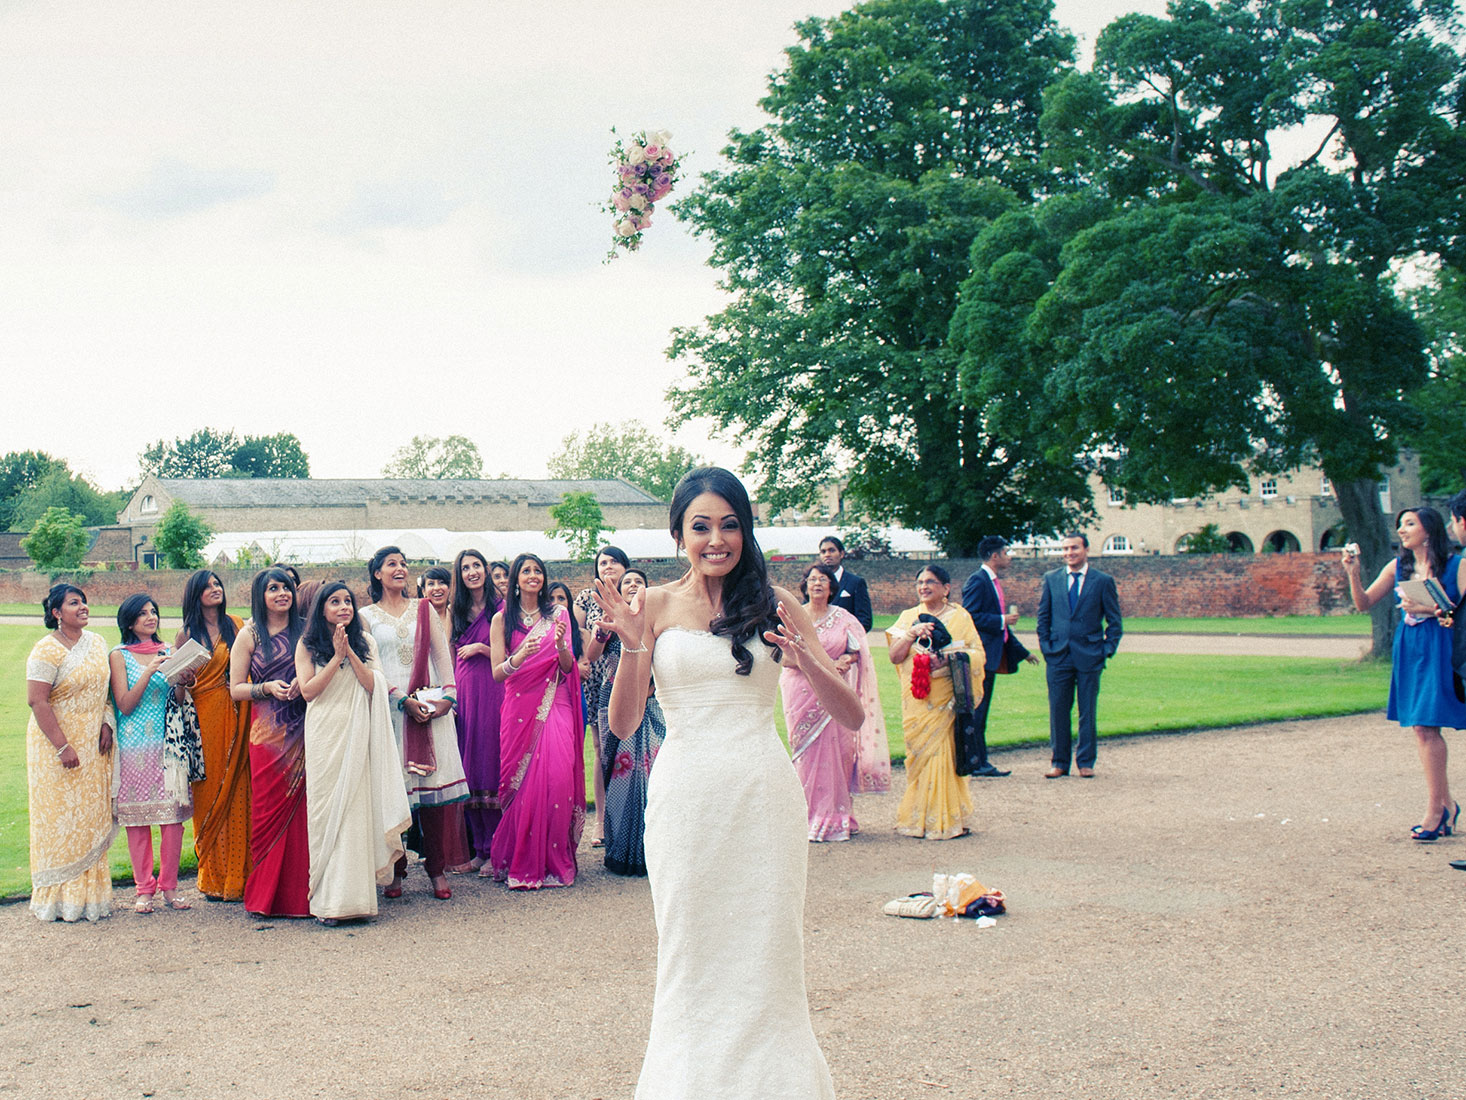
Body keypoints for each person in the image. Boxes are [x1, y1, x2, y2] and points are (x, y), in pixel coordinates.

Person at [594, 466, 862, 1098]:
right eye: (701, 527)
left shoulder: (776, 603)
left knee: (767, 952)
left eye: (730, 525)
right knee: (690, 952)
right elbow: (624, 722)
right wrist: (632, 646)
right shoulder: (654, 605)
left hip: (762, 795)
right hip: (686, 798)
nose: (716, 540)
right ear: (679, 535)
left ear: (746, 531)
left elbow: (850, 713)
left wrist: (806, 662)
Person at [1344, 506, 1465, 841]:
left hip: (1442, 648)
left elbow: (1461, 614)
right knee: (1421, 727)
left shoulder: (1458, 566)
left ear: (1429, 529)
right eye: (1400, 524)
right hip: (1411, 648)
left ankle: (1436, 811)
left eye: (1409, 523)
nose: (1401, 529)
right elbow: (1363, 603)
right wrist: (1353, 573)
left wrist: (1427, 607)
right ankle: (1446, 805)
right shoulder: (1398, 566)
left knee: (1427, 726)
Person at [296, 582, 412, 924]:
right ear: (321, 609)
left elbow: (374, 685)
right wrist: (335, 657)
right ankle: (328, 903)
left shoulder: (366, 642)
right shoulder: (307, 644)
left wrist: (350, 653)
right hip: (325, 733)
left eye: (348, 601)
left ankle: (358, 901)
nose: (344, 606)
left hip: (358, 729)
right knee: (326, 813)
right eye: (335, 602)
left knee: (356, 812)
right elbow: (308, 692)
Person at [359, 547, 468, 901]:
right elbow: (371, 666)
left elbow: (441, 655)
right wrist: (400, 700)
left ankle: (436, 868)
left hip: (430, 709)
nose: (400, 569)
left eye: (404, 564)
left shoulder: (424, 608)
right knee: (395, 793)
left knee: (434, 792)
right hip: (390, 711)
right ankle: (396, 868)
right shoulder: (365, 616)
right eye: (392, 564)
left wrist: (448, 698)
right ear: (377, 573)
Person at [488, 553, 585, 889]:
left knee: (558, 777)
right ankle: (522, 861)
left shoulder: (558, 614)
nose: (533, 575)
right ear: (515, 579)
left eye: (538, 571)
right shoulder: (501, 619)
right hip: (519, 707)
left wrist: (560, 646)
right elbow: (497, 672)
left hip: (555, 701)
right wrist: (520, 656)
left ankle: (553, 861)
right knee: (523, 784)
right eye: (526, 571)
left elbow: (568, 667)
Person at [25, 583, 117, 922]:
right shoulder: (45, 649)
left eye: (84, 602)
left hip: (93, 747)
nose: (83, 607)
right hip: (55, 748)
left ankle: (92, 899)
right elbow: (37, 701)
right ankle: (59, 900)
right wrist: (62, 746)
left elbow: (105, 692)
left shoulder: (97, 643)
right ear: (56, 613)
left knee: (90, 818)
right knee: (60, 820)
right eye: (74, 603)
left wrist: (107, 723)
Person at [779, 563, 891, 841]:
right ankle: (807, 817)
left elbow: (857, 651)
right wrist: (824, 665)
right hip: (800, 691)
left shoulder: (844, 618)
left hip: (835, 693)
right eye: (812, 579)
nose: (817, 583)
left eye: (823, 579)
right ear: (804, 586)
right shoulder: (793, 617)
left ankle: (836, 817)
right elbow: (781, 655)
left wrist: (846, 659)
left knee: (840, 751)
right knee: (805, 752)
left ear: (832, 587)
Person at [231, 567, 309, 918]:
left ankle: (303, 896)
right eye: (273, 588)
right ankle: (267, 897)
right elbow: (235, 689)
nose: (281, 594)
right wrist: (266, 688)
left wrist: (307, 683)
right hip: (266, 736)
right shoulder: (249, 635)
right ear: (260, 596)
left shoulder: (306, 629)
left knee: (305, 812)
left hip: (306, 729)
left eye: (286, 587)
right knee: (267, 811)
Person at [110, 594, 194, 913]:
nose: (151, 617)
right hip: (134, 748)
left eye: (154, 612)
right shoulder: (119, 655)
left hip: (168, 745)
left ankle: (170, 887)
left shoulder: (168, 650)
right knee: (138, 822)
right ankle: (144, 889)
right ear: (129, 621)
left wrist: (182, 681)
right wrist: (149, 671)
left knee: (172, 820)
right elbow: (125, 705)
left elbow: (178, 700)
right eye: (143, 613)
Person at [887, 564, 980, 840]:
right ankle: (917, 818)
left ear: (946, 588)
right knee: (919, 755)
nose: (923, 587)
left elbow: (977, 654)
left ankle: (946, 820)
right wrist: (910, 634)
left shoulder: (960, 617)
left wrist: (950, 659)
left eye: (930, 582)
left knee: (942, 755)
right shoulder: (908, 617)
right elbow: (894, 656)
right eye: (920, 582)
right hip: (917, 699)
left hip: (946, 698)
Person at [177, 569, 250, 900]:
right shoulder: (186, 635)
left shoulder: (236, 625)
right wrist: (182, 679)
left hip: (238, 714)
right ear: (196, 595)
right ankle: (213, 877)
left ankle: (242, 876)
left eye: (217, 584)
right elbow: (179, 689)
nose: (215, 589)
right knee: (209, 793)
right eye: (207, 587)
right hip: (203, 719)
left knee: (240, 790)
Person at [593, 568, 665, 875]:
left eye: (639, 581)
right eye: (627, 583)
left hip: (651, 699)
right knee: (618, 772)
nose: (633, 585)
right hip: (614, 697)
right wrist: (603, 630)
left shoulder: (656, 618)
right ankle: (621, 849)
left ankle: (652, 850)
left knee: (650, 772)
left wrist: (648, 689)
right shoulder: (610, 619)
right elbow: (592, 655)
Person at [1036, 532, 1123, 778]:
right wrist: (1047, 647)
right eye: (1065, 549)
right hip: (1058, 655)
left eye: (1074, 548)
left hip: (1090, 655)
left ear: (1086, 549)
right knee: (1058, 711)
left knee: (1087, 711)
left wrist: (1106, 650)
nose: (1069, 553)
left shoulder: (1102, 581)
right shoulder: (1052, 579)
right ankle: (1059, 762)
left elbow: (1114, 622)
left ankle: (1086, 762)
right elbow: (1043, 617)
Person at [959, 536, 1039, 778]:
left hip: (992, 656)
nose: (1009, 557)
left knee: (981, 712)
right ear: (995, 556)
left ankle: (979, 761)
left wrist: (1023, 653)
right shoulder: (978, 581)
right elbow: (970, 616)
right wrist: (1002, 619)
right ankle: (977, 763)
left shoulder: (991, 581)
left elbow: (1002, 631)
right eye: (1006, 553)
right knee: (978, 711)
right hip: (981, 657)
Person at [448, 548, 504, 875]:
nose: (472, 572)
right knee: (469, 766)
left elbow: (511, 651)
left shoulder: (502, 608)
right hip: (466, 690)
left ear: (486, 569)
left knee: (491, 764)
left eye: (476, 565)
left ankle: (498, 849)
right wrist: (451, 696)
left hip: (494, 689)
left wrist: (482, 648)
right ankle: (480, 850)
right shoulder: (456, 611)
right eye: (466, 568)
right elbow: (448, 654)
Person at [575, 545, 630, 847]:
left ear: (625, 566)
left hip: (630, 675)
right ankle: (600, 820)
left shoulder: (633, 592)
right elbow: (576, 634)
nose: (608, 566)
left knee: (633, 746)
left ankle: (630, 817)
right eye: (603, 562)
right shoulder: (587, 597)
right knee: (600, 748)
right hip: (597, 678)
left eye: (614, 562)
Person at [819, 535, 873, 631]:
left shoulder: (856, 583)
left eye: (832, 550)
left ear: (841, 554)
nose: (827, 555)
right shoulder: (813, 583)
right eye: (823, 551)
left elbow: (865, 620)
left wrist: (844, 636)